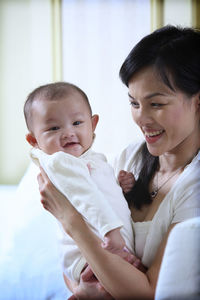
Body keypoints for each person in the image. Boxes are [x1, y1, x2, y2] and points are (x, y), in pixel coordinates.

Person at [36, 25, 200, 299]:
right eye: (134, 103)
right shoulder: (130, 158)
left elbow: (147, 293)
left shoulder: (193, 185)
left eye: (156, 104)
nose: (141, 118)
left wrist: (69, 218)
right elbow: (73, 258)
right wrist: (80, 288)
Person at [24, 82, 137, 283]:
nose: (68, 133)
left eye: (77, 123)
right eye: (53, 128)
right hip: (87, 254)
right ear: (34, 141)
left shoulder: (92, 158)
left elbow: (96, 191)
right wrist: (110, 231)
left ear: (92, 125)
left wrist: (118, 186)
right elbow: (87, 197)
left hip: (107, 247)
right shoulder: (60, 162)